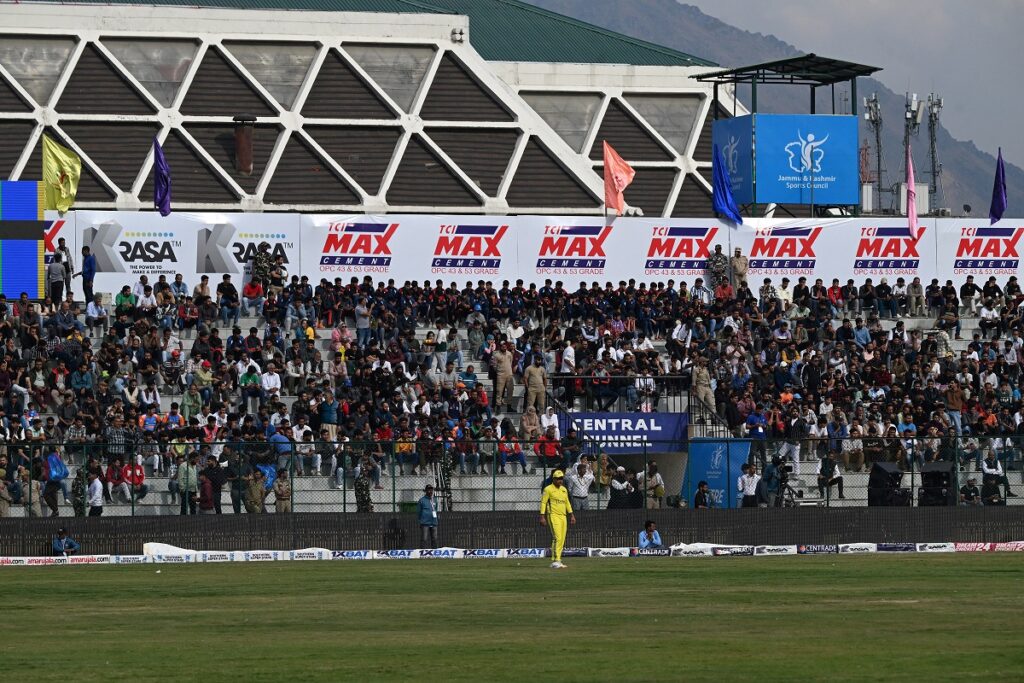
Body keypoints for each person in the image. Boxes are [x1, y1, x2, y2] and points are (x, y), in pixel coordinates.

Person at [539, 469, 575, 569]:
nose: (560, 480)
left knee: (562, 538)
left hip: (563, 516)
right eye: (558, 479)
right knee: (557, 537)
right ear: (553, 479)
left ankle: (558, 560)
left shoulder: (564, 489)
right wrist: (542, 516)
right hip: (553, 515)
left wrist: (571, 515)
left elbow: (567, 502)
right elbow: (543, 503)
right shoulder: (548, 489)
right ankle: (555, 560)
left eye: (561, 478)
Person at [417, 484, 438, 548]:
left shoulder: (434, 499)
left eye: (431, 490)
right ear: (426, 491)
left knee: (434, 538)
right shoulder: (422, 500)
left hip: (433, 522)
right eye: (428, 490)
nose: (430, 491)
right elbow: (419, 511)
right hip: (425, 522)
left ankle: (434, 553)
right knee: (424, 539)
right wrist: (421, 520)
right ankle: (422, 553)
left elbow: (436, 509)